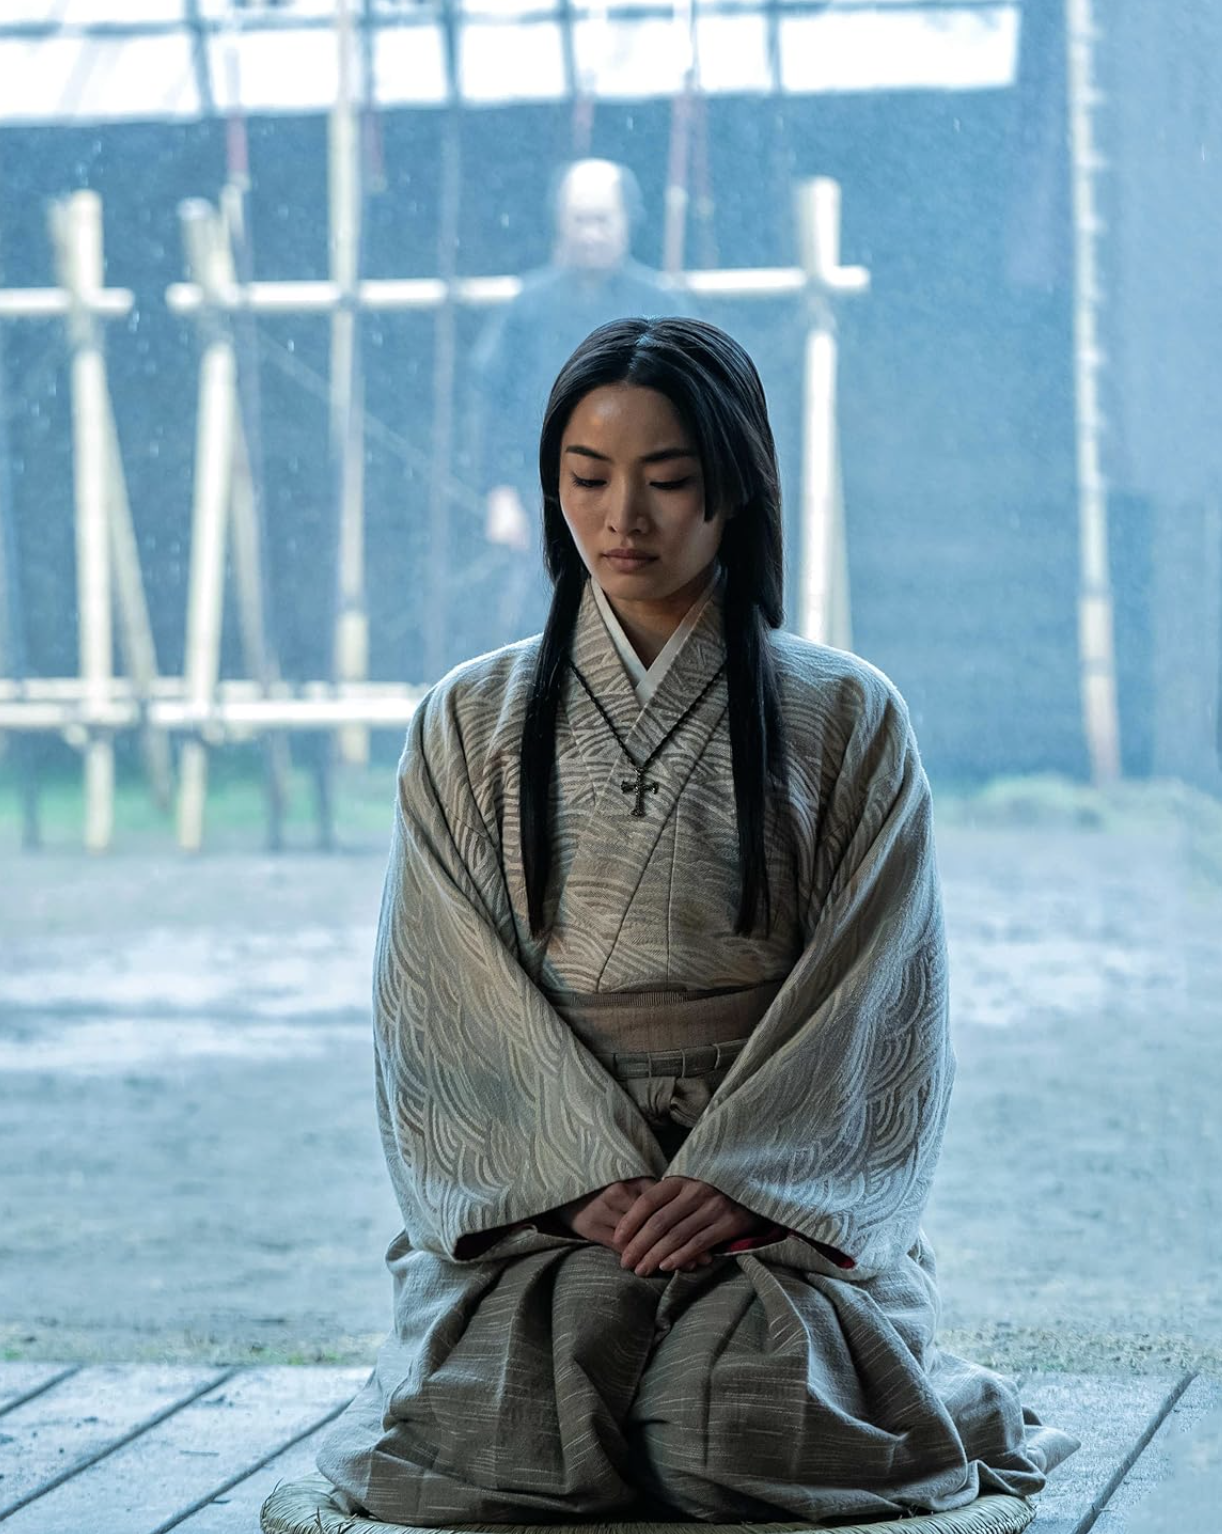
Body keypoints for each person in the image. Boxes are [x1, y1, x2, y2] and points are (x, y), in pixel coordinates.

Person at [316, 317, 1076, 1522]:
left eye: (667, 480)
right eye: (586, 478)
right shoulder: (467, 720)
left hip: (771, 1202)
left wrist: (744, 1180)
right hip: (551, 1191)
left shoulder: (846, 714)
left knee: (738, 1425)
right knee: (508, 1434)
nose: (624, 517)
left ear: (736, 488)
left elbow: (876, 995)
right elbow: (441, 994)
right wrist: (577, 1183)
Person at [463, 159, 689, 651]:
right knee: (544, 628)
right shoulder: (528, 308)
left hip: (646, 496)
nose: (591, 233)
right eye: (580, 219)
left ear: (627, 221)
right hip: (543, 496)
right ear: (561, 223)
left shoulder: (663, 304)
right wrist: (499, 491)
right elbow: (492, 403)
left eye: (602, 219)